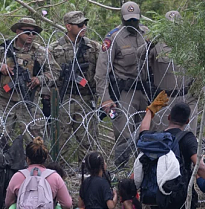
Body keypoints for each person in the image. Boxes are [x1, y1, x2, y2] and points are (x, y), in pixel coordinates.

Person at [0, 18, 53, 209]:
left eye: (34, 33)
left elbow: (53, 72)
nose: (31, 36)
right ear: (17, 32)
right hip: (5, 100)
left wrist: (38, 79)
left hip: (28, 102)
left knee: (35, 139)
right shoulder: (4, 50)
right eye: (27, 32)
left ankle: (37, 171)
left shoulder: (40, 52)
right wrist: (2, 67)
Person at [138, 94, 205, 209]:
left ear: (169, 118)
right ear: (188, 121)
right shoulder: (188, 138)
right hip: (183, 198)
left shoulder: (159, 139)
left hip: (162, 195)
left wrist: (150, 111)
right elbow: (200, 167)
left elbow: (143, 132)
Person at [95, 1, 151, 167]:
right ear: (122, 19)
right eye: (128, 20)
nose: (132, 22)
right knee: (124, 133)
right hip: (123, 93)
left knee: (146, 132)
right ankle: (121, 169)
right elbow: (101, 72)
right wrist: (105, 99)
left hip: (145, 90)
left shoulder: (147, 34)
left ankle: (144, 168)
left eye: (135, 19)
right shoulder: (113, 38)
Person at [45, 11, 101, 161]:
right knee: (61, 138)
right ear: (69, 26)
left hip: (86, 97)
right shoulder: (54, 48)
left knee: (88, 138)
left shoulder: (93, 47)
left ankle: (89, 169)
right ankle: (59, 170)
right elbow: (48, 72)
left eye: (85, 24)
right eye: (80, 25)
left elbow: (102, 70)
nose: (84, 27)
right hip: (64, 97)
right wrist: (47, 97)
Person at [148, 11, 196, 129]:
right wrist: (148, 44)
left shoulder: (190, 46)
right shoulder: (156, 46)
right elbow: (140, 58)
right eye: (170, 27)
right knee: (163, 137)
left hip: (185, 97)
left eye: (176, 26)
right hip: (164, 99)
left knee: (187, 137)